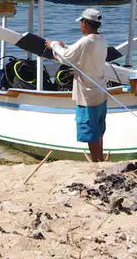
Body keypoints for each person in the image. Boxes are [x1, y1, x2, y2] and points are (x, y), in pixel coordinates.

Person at [44, 8, 108, 162]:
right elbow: (75, 53)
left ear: (85, 24)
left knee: (90, 130)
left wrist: (53, 45)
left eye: (81, 22)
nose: (80, 25)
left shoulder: (85, 41)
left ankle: (96, 162)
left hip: (87, 93)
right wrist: (64, 47)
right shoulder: (101, 39)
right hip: (100, 89)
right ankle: (99, 159)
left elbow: (66, 58)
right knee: (98, 129)